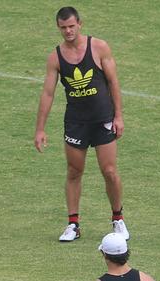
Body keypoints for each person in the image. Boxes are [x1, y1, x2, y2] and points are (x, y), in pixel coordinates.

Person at [34, 6, 129, 243]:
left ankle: (118, 219)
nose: (68, 31)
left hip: (103, 120)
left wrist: (118, 116)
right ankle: (73, 225)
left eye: (71, 26)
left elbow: (113, 82)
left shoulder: (99, 47)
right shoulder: (55, 57)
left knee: (109, 171)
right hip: (76, 123)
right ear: (59, 27)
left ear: (80, 24)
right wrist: (40, 128)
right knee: (74, 171)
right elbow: (47, 93)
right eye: (63, 27)